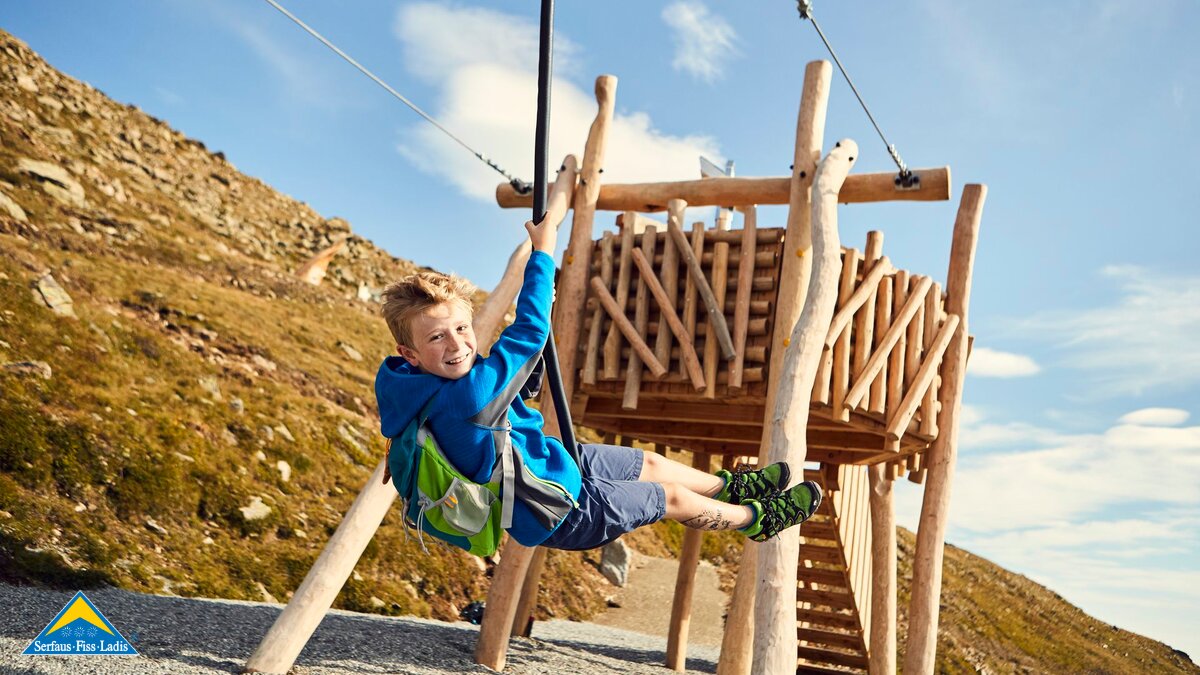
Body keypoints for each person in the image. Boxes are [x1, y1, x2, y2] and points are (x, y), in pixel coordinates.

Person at [374, 216, 821, 551]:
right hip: (560, 510)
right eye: (437, 337)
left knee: (650, 464)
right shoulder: (466, 396)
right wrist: (543, 253)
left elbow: (510, 391)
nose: (457, 344)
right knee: (672, 496)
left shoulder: (409, 385)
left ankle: (730, 488)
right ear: (410, 354)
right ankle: (755, 519)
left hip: (553, 461)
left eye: (462, 328)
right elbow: (528, 332)